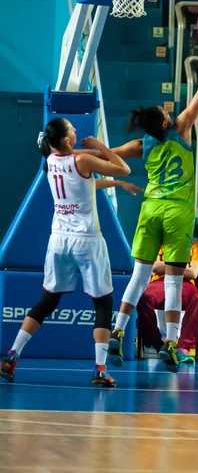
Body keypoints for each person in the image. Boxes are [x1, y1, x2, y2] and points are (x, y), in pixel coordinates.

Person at [106, 36, 198, 370]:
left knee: (139, 276)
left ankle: (117, 330)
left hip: (150, 208)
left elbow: (109, 155)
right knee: (173, 279)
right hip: (177, 211)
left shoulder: (143, 143)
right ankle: (171, 342)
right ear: (166, 122)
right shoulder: (181, 128)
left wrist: (75, 154)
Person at [0, 118, 134, 387]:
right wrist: (101, 146)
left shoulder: (51, 161)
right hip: (87, 240)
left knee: (48, 301)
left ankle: (12, 356)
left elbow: (83, 186)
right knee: (103, 304)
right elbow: (124, 169)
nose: (76, 130)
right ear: (66, 140)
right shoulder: (81, 162)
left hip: (59, 240)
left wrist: (114, 185)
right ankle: (99, 369)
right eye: (72, 129)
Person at [136, 241, 198, 364]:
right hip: (160, 281)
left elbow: (193, 273)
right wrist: (181, 268)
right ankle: (157, 343)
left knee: (197, 298)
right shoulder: (159, 244)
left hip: (186, 282)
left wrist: (165, 267)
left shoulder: (194, 246)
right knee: (144, 297)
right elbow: (155, 267)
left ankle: (184, 348)